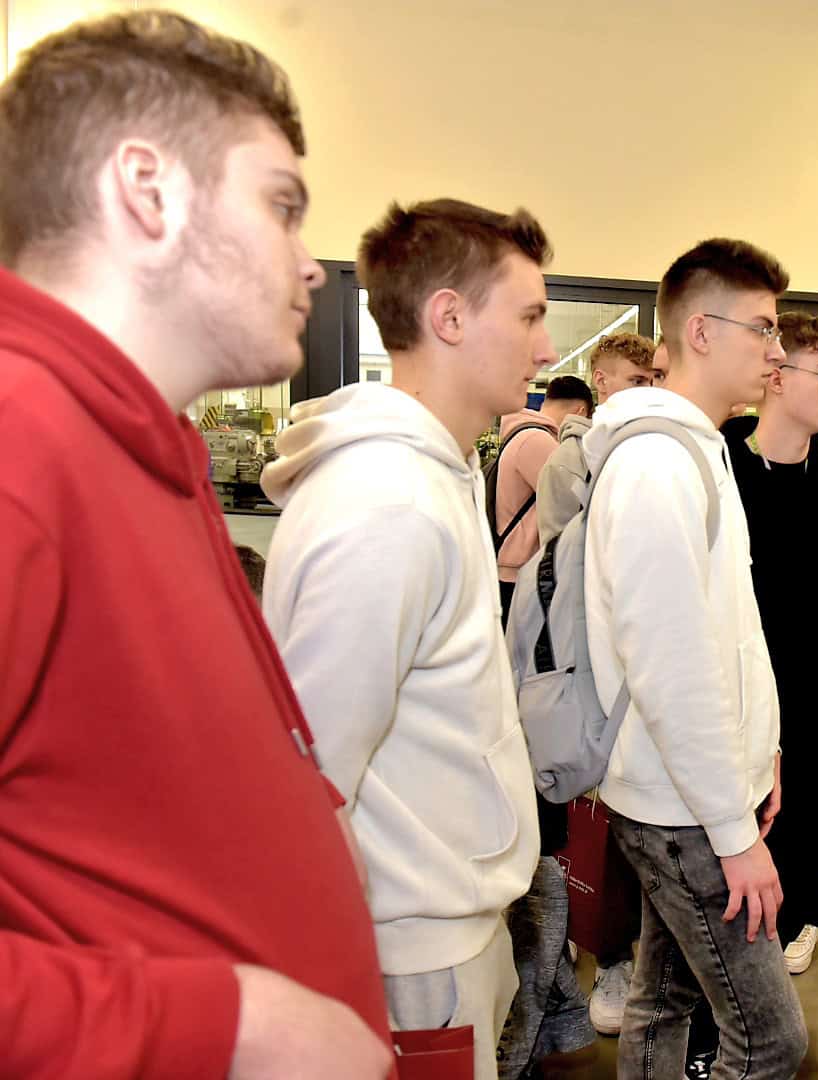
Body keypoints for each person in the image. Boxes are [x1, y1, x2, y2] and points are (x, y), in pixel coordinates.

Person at [0, 12, 392, 1078]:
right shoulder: (23, 440)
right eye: (282, 207)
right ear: (147, 190)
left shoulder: (139, 446)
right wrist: (225, 1025)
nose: (310, 265)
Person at [263, 198, 554, 1080]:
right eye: (530, 317)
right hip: (409, 945)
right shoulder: (389, 505)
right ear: (449, 317)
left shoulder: (434, 475)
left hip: (439, 924)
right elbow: (312, 774)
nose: (546, 349)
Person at [584, 238, 808, 1079]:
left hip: (697, 795)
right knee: (771, 1041)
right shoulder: (655, 466)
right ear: (702, 332)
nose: (777, 351)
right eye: (764, 328)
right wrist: (732, 831)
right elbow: (669, 667)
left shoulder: (699, 448)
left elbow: (731, 631)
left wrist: (762, 753)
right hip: (684, 811)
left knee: (664, 1000)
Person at [505, 331, 662, 1054]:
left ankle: (624, 958)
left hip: (643, 675)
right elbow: (574, 578)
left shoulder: (661, 453)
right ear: (602, 381)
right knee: (588, 826)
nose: (649, 389)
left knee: (635, 831)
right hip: (588, 673)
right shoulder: (572, 458)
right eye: (637, 378)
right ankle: (605, 959)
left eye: (655, 378)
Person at [722, 311, 818, 974]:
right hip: (739, 691)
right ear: (777, 377)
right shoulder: (723, 458)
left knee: (807, 823)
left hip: (814, 691)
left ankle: (797, 921)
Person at [495, 373, 594, 624]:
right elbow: (572, 500)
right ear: (581, 412)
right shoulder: (537, 440)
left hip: (515, 569)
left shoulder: (524, 434)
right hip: (520, 571)